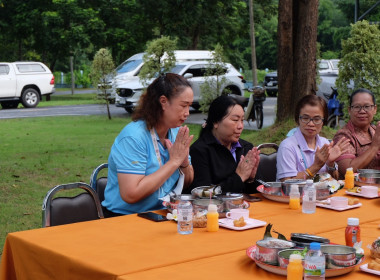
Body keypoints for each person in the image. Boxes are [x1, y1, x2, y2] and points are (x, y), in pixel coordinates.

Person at [102, 73, 194, 216]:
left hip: (163, 213)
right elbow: (130, 194)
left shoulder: (176, 132)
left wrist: (184, 164)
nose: (187, 113)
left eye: (189, 106)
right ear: (163, 101)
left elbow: (188, 181)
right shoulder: (133, 137)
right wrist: (174, 162)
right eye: (183, 105)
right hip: (125, 218)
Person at [189, 95, 260, 194]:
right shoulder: (199, 151)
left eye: (242, 120)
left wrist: (250, 180)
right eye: (235, 120)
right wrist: (239, 177)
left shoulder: (246, 148)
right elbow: (203, 194)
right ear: (216, 122)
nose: (240, 126)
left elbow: (256, 194)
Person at [276, 95, 349, 181]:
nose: (311, 124)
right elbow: (286, 182)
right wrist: (316, 166)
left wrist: (330, 163)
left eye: (317, 119)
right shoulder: (288, 146)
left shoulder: (324, 143)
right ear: (298, 118)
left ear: (323, 121)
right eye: (305, 118)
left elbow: (335, 178)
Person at [333, 88, 380, 176]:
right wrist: (375, 146)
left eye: (367, 106)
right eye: (357, 107)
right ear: (349, 110)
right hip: (355, 188)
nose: (362, 111)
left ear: (375, 109)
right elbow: (347, 170)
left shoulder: (375, 131)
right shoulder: (344, 135)